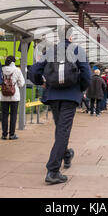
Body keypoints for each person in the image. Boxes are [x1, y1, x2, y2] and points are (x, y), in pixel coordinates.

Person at [28, 25, 91, 184]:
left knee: (60, 129)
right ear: (71, 37)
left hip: (53, 95)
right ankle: (53, 170)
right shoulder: (78, 50)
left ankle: (66, 154)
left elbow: (34, 71)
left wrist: (41, 83)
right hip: (70, 96)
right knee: (63, 130)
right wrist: (80, 89)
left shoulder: (50, 51)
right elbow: (86, 74)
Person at [0, 56, 25, 140]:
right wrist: (14, 83)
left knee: (4, 115)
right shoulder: (17, 70)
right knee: (13, 115)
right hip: (14, 96)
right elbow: (22, 83)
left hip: (3, 96)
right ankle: (12, 134)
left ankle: (4, 134)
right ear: (13, 62)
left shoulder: (1, 70)